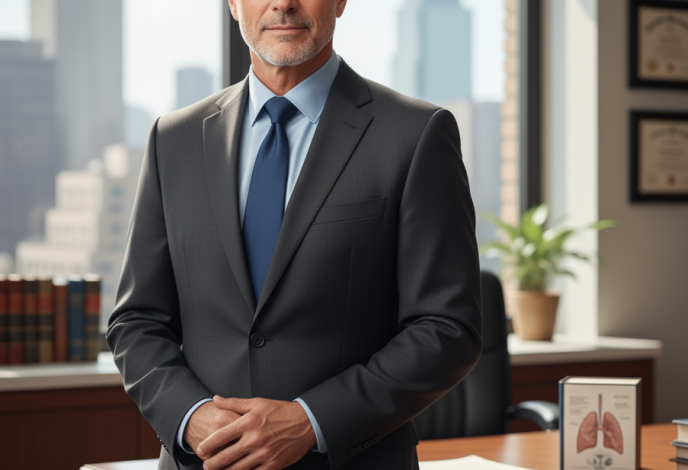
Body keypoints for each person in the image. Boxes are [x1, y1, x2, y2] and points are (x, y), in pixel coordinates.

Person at [106, 0, 482, 469]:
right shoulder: (173, 139)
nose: (283, 3)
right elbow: (136, 320)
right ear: (233, 4)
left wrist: (311, 421)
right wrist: (191, 415)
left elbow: (447, 328)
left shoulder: (415, 133)